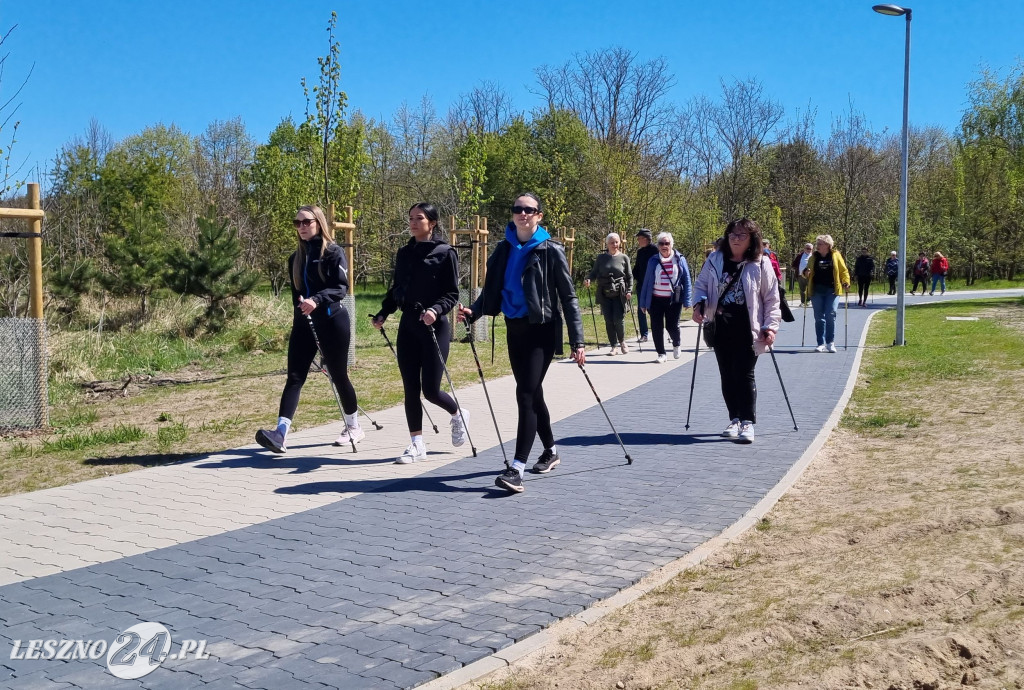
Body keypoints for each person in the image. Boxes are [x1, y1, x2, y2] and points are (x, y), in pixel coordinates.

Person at [457, 193, 586, 494]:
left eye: (529, 210)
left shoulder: (550, 249)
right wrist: (473, 312)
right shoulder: (503, 248)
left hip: (541, 329)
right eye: (517, 209)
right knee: (532, 392)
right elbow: (492, 291)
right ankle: (551, 450)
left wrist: (577, 341)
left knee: (525, 394)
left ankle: (517, 468)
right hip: (514, 330)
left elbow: (568, 297)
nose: (522, 214)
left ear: (539, 215)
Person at [256, 205, 362, 453]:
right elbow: (297, 297)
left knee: (338, 375)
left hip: (332, 321)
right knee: (294, 377)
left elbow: (340, 288)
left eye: (306, 222)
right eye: (297, 223)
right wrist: (301, 319)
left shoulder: (333, 252)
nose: (301, 227)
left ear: (319, 223)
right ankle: (280, 434)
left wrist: (317, 299)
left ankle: (353, 427)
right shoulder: (296, 258)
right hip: (305, 324)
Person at [372, 203, 468, 465]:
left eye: (420, 218)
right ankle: (416, 444)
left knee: (431, 391)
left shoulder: (445, 252)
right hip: (409, 326)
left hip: (435, 326)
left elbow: (452, 294)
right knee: (410, 389)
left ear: (433, 222)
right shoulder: (404, 253)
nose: (413, 222)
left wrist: (436, 311)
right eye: (411, 218)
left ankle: (458, 414)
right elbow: (397, 289)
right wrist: (384, 313)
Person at [691, 218, 781, 444]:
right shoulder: (715, 259)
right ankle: (734, 419)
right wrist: (698, 304)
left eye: (742, 235)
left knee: (743, 373)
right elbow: (701, 285)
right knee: (727, 375)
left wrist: (770, 326)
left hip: (749, 328)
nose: (736, 239)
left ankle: (748, 423)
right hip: (720, 326)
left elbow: (771, 298)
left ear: (752, 239)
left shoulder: (761, 263)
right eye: (733, 234)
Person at [639, 232, 692, 363]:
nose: (664, 246)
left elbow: (687, 280)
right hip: (656, 299)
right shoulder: (653, 260)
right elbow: (646, 282)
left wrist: (687, 300)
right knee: (656, 327)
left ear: (671, 245)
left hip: (674, 300)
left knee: (672, 326)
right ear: (658, 246)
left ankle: (676, 343)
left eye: (667, 243)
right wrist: (643, 302)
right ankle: (661, 353)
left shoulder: (679, 259)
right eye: (661, 243)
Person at [584, 233, 633, 355]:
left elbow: (629, 276)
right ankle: (613, 346)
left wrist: (629, 290)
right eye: (612, 242)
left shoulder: (624, 258)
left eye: (616, 242)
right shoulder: (601, 258)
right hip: (604, 293)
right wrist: (589, 279)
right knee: (608, 320)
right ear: (607, 244)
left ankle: (622, 342)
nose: (614, 245)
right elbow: (594, 273)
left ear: (619, 243)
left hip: (619, 293)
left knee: (618, 319)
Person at [804, 234, 851, 353]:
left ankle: (830, 342)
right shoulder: (813, 257)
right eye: (817, 244)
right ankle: (820, 343)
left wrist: (846, 282)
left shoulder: (835, 255)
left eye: (820, 244)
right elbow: (806, 271)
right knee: (819, 317)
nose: (817, 246)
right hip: (816, 291)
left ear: (827, 245)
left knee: (831, 314)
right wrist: (806, 273)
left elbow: (843, 270)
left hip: (832, 290)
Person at [632, 228, 658, 343]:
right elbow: (637, 268)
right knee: (640, 310)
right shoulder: (640, 252)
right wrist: (631, 276)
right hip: (641, 285)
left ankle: (657, 331)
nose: (638, 240)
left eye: (639, 238)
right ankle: (644, 334)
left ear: (646, 238)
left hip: (653, 286)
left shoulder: (656, 250)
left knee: (653, 310)